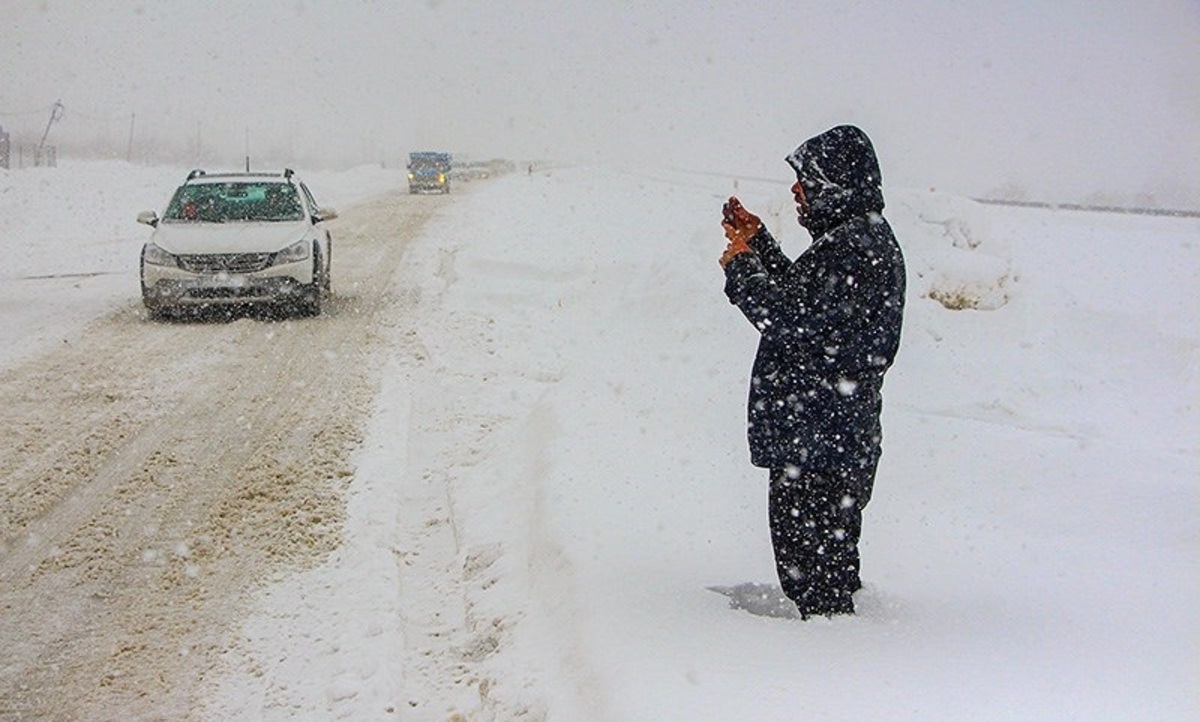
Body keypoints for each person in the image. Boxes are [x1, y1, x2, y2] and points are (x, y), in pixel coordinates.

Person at [719, 125, 905, 619]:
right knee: (826, 569)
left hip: (820, 443)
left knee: (817, 583)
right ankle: (838, 649)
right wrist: (757, 244)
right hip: (829, 438)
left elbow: (787, 319)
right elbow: (807, 303)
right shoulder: (854, 241)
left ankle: (827, 669)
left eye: (807, 182)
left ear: (837, 182)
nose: (797, 192)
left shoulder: (855, 248)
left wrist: (741, 269)